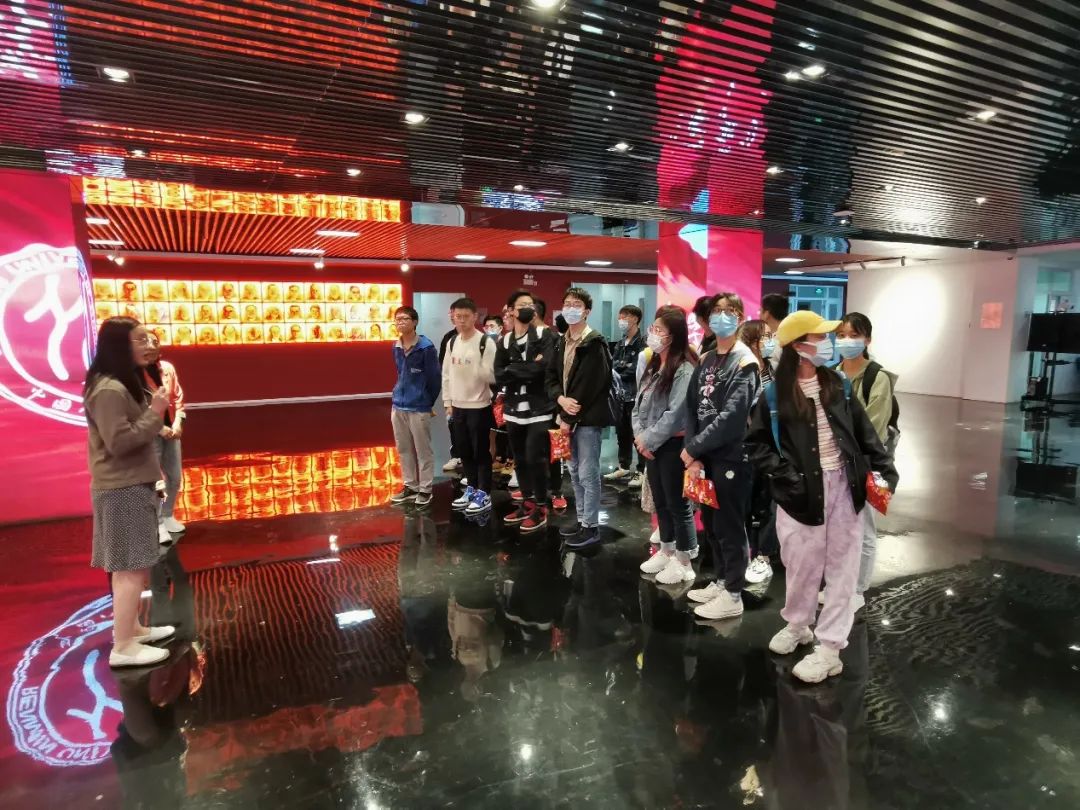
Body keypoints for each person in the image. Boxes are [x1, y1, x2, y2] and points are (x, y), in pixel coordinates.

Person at [745, 310, 897, 683]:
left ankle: (830, 648)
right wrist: (786, 475)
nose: (828, 343)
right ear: (798, 346)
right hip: (800, 494)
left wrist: (885, 471)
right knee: (800, 564)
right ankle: (798, 624)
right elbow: (756, 444)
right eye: (819, 337)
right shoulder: (774, 394)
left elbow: (864, 432)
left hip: (844, 487)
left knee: (843, 570)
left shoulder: (837, 383)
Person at [84, 317, 174, 668]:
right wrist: (155, 413)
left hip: (131, 484)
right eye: (141, 340)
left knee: (133, 565)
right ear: (120, 346)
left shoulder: (120, 384)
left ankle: (132, 629)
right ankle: (123, 646)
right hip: (123, 487)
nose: (150, 346)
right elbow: (120, 443)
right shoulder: (109, 390)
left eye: (150, 339)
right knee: (130, 568)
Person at [682, 292, 760, 621]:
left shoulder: (745, 362)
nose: (721, 316)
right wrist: (695, 453)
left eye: (729, 311)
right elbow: (691, 407)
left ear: (740, 317)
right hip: (706, 457)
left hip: (731, 457)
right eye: (716, 311)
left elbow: (732, 417)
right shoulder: (707, 358)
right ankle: (721, 580)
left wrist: (694, 448)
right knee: (712, 524)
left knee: (730, 525)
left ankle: (734, 593)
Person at [835, 312, 898, 609]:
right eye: (841, 335)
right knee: (840, 528)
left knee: (864, 526)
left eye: (854, 335)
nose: (846, 340)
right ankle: (840, 585)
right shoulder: (832, 374)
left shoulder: (877, 378)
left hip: (866, 463)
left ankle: (857, 590)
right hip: (835, 462)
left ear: (867, 340)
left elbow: (873, 427)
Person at [634, 306, 700, 584]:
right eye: (653, 328)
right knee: (660, 501)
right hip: (651, 445)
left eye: (658, 330)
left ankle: (684, 561)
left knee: (677, 504)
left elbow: (676, 414)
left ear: (672, 336)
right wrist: (641, 437)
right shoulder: (654, 364)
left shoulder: (684, 369)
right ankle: (666, 549)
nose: (653, 333)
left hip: (672, 445)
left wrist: (648, 439)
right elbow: (638, 404)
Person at [547, 287, 613, 549]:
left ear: (587, 311)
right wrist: (560, 400)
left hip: (586, 420)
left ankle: (591, 526)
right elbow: (550, 377)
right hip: (566, 414)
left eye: (576, 304)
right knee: (573, 472)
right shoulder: (561, 341)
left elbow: (590, 386)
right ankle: (582, 519)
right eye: (567, 304)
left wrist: (567, 416)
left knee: (588, 473)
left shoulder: (594, 343)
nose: (570, 308)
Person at [495, 290, 558, 534]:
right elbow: (499, 374)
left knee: (536, 458)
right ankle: (528, 502)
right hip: (513, 410)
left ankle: (541, 506)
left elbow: (542, 369)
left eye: (531, 305)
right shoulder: (505, 341)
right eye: (522, 305)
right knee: (520, 460)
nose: (527, 309)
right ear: (510, 310)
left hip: (539, 409)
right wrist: (524, 368)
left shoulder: (544, 335)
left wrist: (514, 369)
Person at [443, 297, 496, 514]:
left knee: (480, 451)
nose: (462, 320)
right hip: (458, 407)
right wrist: (448, 402)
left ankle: (484, 492)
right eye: (458, 316)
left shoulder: (485, 342)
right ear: (453, 317)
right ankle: (472, 488)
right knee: (463, 450)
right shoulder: (452, 342)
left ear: (475, 317)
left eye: (466, 316)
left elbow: (492, 375)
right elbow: (446, 374)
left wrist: (480, 371)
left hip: (479, 406)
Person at [738, 319, 779, 585]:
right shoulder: (744, 370)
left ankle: (764, 555)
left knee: (768, 502)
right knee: (744, 503)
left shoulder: (773, 370)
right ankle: (741, 553)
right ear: (753, 341)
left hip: (771, 446)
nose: (770, 341)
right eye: (765, 336)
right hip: (745, 446)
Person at [390, 306, 441, 508]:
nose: (400, 322)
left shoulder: (426, 348)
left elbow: (434, 378)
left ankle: (425, 489)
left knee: (423, 450)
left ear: (415, 322)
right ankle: (410, 486)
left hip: (419, 406)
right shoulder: (396, 346)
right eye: (397, 319)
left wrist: (427, 402)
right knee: (403, 448)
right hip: (398, 405)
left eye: (404, 318)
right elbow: (400, 373)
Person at [143, 335, 187, 536]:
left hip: (172, 432)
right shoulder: (132, 373)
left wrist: (178, 423)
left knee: (175, 476)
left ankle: (168, 515)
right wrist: (159, 428)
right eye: (146, 341)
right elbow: (136, 407)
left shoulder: (167, 368)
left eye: (155, 342)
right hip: (150, 432)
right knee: (155, 480)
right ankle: (157, 521)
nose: (151, 346)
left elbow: (178, 398)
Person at [607, 305, 647, 488]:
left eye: (625, 316)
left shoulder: (643, 343)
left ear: (635, 319)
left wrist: (620, 370)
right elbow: (613, 365)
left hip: (636, 395)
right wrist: (621, 369)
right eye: (620, 316)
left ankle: (641, 470)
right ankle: (623, 466)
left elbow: (636, 370)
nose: (621, 320)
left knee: (637, 434)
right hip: (619, 396)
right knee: (622, 432)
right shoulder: (620, 343)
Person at [533, 297, 566, 510]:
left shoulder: (553, 338)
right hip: (528, 406)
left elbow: (553, 372)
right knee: (531, 452)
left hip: (551, 404)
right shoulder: (520, 338)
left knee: (554, 451)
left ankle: (556, 491)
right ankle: (533, 491)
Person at [759, 294, 789, 373]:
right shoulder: (768, 336)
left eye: (760, 310)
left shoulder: (779, 342)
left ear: (767, 313)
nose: (759, 314)